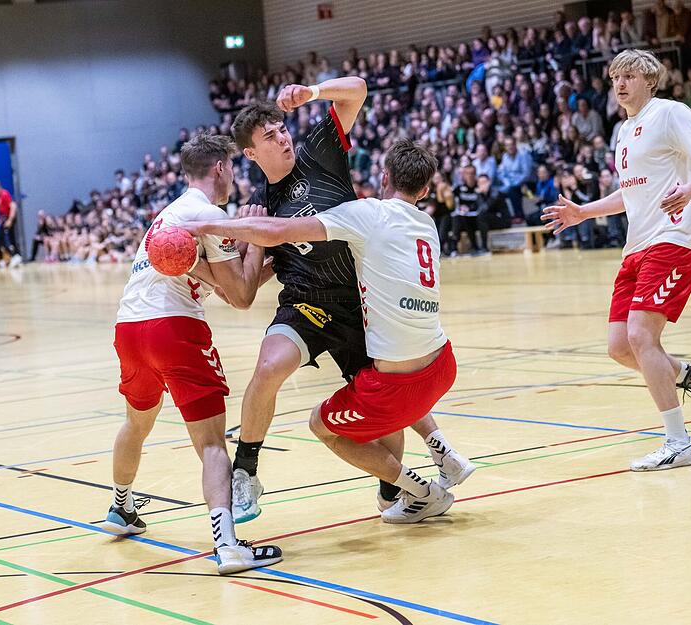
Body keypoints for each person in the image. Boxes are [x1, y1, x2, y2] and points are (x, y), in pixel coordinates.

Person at [228, 77, 473, 522]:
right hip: (305, 303)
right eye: (270, 136)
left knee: (389, 412)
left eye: (282, 129)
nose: (282, 137)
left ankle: (400, 487)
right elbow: (248, 288)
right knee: (268, 368)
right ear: (250, 153)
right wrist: (245, 243)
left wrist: (313, 91)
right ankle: (246, 472)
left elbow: (357, 89)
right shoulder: (262, 205)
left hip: (359, 306)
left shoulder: (317, 153)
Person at [542, 49, 691, 471]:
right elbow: (629, 194)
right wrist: (583, 211)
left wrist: (689, 190)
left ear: (650, 80)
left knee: (642, 337)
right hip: (637, 245)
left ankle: (679, 441)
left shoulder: (670, 113)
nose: (620, 83)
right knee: (620, 347)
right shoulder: (623, 130)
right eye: (615, 76)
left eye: (629, 75)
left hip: (674, 239)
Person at [105, 133, 282, 575]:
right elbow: (241, 296)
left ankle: (120, 507)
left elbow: (224, 288)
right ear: (220, 167)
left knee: (136, 422)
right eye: (232, 169)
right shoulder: (209, 215)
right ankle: (228, 548)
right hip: (174, 329)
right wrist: (257, 238)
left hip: (130, 327)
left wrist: (256, 258)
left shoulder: (166, 218)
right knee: (212, 444)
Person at [0, 180, 22, 267]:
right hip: (4, 219)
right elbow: (2, 210)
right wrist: (1, 219)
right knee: (1, 241)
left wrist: (10, 220)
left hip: (8, 219)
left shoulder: (4, 194)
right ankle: (14, 255)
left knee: (10, 239)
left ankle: (16, 255)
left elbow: (13, 206)